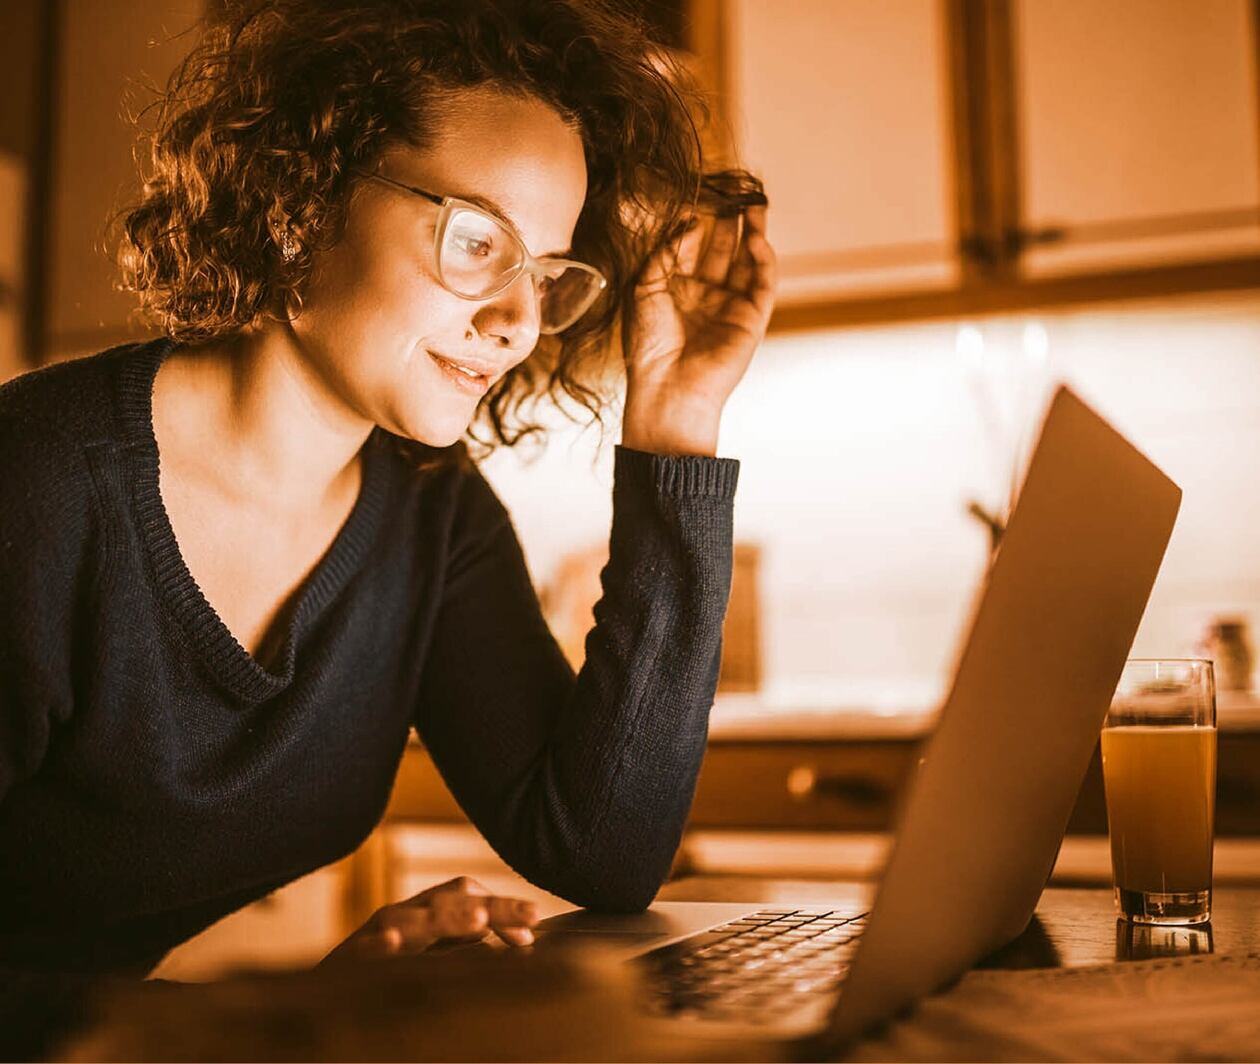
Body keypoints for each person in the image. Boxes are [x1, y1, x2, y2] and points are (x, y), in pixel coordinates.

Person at [0, 0, 775, 1055]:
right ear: (301, 196)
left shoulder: (428, 510)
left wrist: (676, 431)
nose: (519, 320)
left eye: (547, 274)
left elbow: (602, 849)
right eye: (476, 242)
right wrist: (290, 1022)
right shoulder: (35, 489)